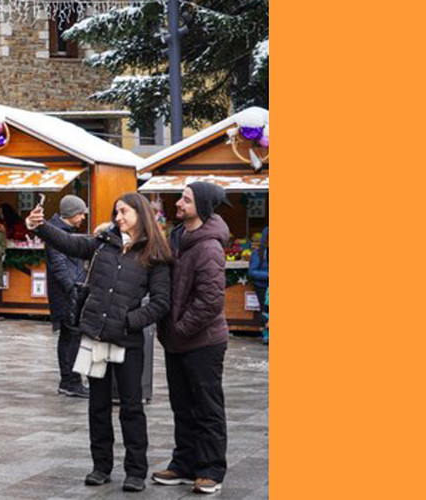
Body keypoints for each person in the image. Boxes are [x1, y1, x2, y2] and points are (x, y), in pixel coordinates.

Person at [26, 193, 172, 493]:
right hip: (95, 336)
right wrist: (39, 227)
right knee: (98, 405)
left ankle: (135, 471)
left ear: (141, 214)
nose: (118, 217)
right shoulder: (103, 242)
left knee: (131, 407)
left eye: (125, 212)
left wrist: (130, 321)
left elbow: (160, 303)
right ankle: (100, 466)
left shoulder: (154, 254)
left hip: (127, 341)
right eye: (116, 212)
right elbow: (70, 243)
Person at [151, 182, 230, 495]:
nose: (179, 204)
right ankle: (184, 464)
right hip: (177, 339)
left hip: (203, 341)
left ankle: (211, 469)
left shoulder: (209, 247)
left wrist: (179, 329)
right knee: (181, 405)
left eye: (186, 200)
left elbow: (211, 301)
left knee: (207, 407)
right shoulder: (178, 238)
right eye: (181, 198)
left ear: (203, 207)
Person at [45, 195, 91, 398]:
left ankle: (70, 380)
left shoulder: (65, 232)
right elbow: (59, 266)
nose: (83, 217)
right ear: (72, 213)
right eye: (81, 213)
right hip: (67, 295)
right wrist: (73, 289)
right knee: (71, 338)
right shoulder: (57, 235)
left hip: (70, 292)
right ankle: (70, 381)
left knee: (70, 337)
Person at [248, 227, 269, 343]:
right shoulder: (258, 253)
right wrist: (268, 275)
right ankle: (266, 334)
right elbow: (252, 272)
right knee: (265, 311)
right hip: (262, 286)